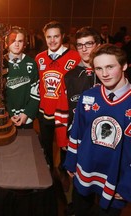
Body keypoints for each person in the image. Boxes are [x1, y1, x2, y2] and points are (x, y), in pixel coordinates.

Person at [64, 44, 131, 216]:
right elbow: (76, 133)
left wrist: (127, 185)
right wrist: (71, 161)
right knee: (80, 210)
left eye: (110, 67)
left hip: (116, 179)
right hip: (84, 171)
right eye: (99, 68)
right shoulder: (88, 96)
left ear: (124, 65)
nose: (105, 74)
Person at [54, 26, 101, 215]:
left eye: (88, 44)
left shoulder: (108, 74)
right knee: (79, 183)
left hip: (103, 141)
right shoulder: (70, 76)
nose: (84, 49)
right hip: (78, 140)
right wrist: (62, 140)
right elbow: (61, 110)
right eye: (80, 45)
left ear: (98, 45)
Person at [35, 20, 81, 169]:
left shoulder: (75, 57)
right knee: (46, 143)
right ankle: (48, 169)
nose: (52, 40)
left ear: (63, 37)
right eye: (49, 37)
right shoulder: (39, 58)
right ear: (45, 37)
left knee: (65, 144)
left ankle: (64, 170)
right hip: (45, 109)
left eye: (56, 36)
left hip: (65, 112)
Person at [2, 26, 39, 128]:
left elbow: (36, 92)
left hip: (25, 117)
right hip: (6, 116)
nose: (16, 44)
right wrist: (9, 113)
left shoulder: (31, 63)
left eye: (20, 41)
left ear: (25, 44)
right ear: (6, 42)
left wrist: (27, 113)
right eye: (13, 40)